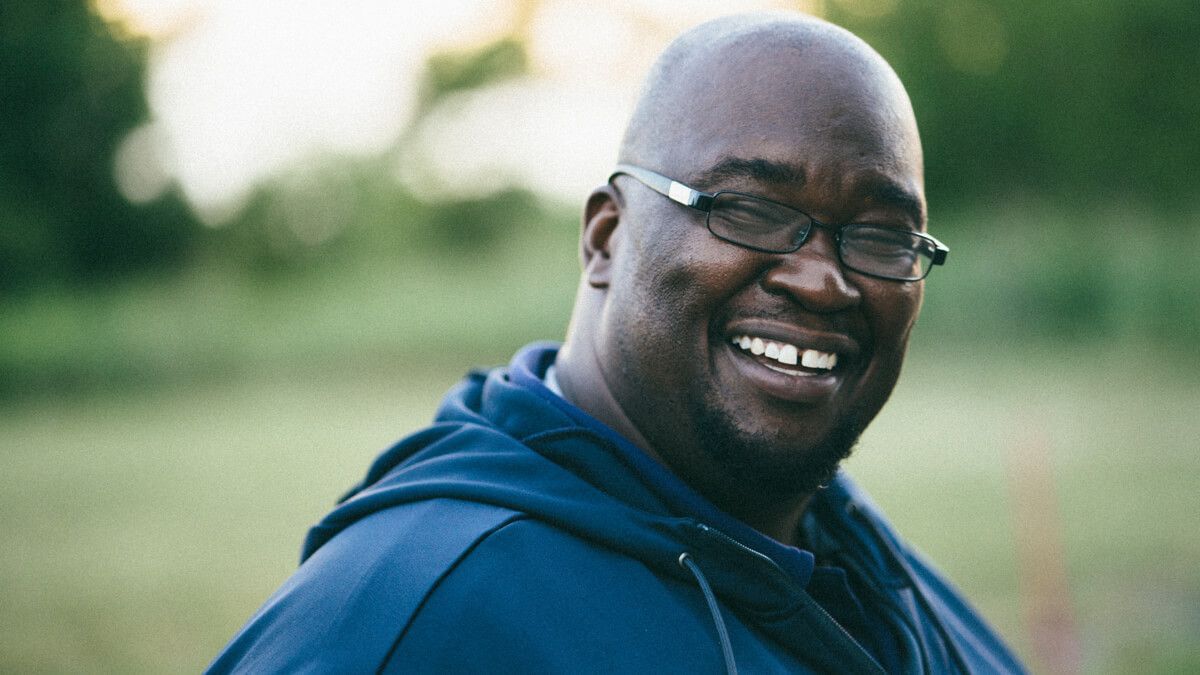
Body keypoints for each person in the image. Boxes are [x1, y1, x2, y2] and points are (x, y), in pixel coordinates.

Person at [208, 12, 1025, 674]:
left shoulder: (876, 578)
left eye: (882, 235)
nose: (820, 281)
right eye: (746, 210)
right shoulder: (406, 621)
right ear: (606, 237)